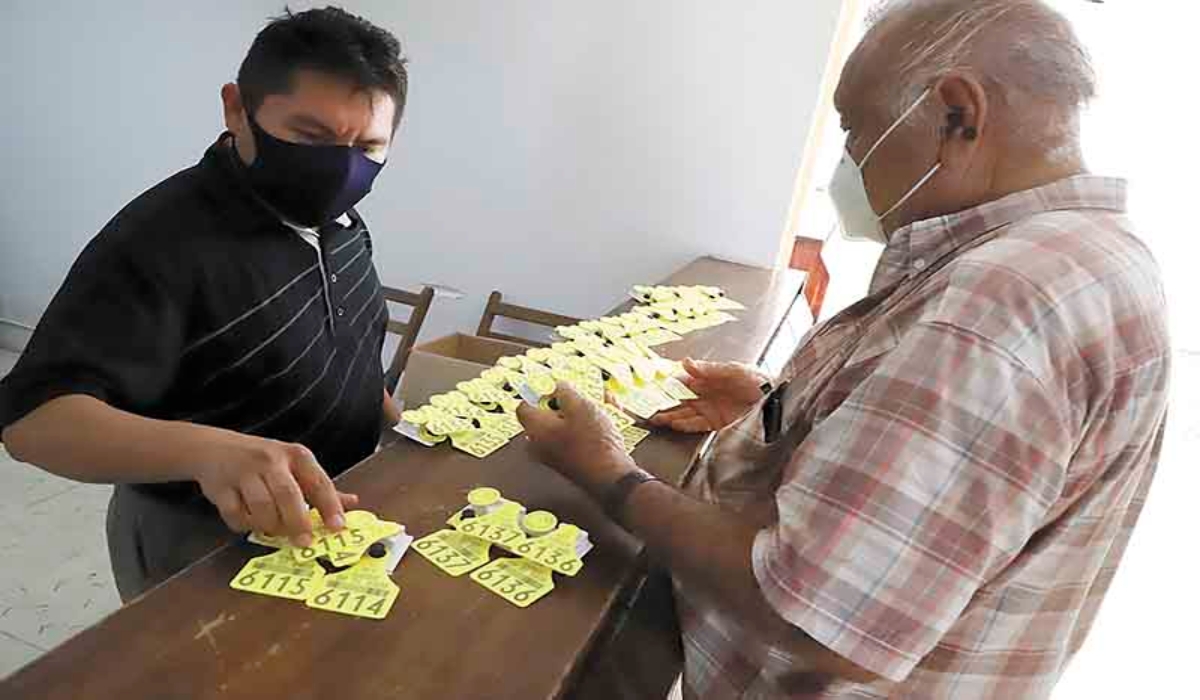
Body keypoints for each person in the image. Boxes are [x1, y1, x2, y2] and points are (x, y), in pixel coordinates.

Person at [517, 0, 1170, 697]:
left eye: (856, 130)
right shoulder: (1092, 257)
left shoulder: (1000, 302)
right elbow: (947, 495)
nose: (849, 163)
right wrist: (778, 413)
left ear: (957, 115)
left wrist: (609, 474)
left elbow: (814, 617)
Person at [0, 7, 408, 602]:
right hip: (202, 539)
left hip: (333, 520)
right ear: (236, 108)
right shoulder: (161, 240)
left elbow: (346, 341)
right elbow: (33, 424)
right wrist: (208, 452)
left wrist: (394, 420)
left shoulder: (341, 224)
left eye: (368, 146)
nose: (339, 169)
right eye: (310, 138)